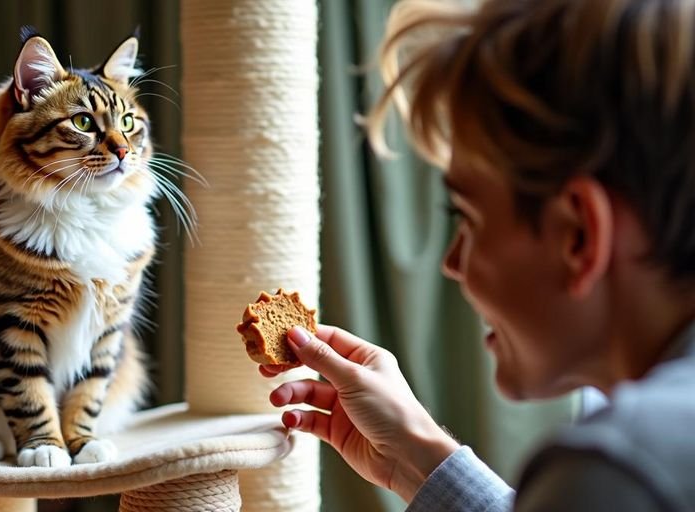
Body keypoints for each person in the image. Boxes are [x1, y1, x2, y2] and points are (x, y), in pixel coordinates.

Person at [262, 0, 695, 509]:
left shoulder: (616, 472)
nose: (452, 262)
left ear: (578, 235)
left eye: (467, 216)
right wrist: (417, 458)